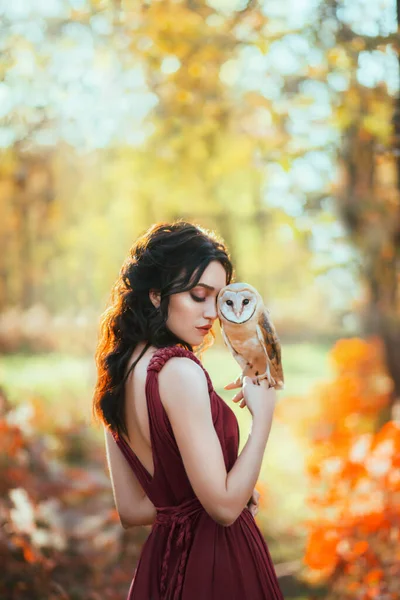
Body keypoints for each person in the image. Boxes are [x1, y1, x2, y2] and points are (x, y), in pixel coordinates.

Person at [92, 220, 284, 600]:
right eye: (199, 295)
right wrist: (263, 418)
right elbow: (225, 509)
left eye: (219, 298)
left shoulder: (116, 373)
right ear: (155, 295)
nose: (213, 313)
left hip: (163, 561)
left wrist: (221, 486)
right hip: (215, 563)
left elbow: (133, 509)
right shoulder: (179, 371)